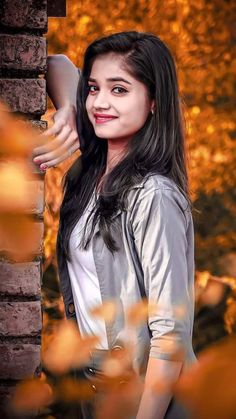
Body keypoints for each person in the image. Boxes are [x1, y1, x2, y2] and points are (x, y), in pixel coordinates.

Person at [33, 31, 197, 418]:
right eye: (93, 88)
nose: (100, 103)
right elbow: (53, 62)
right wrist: (70, 110)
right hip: (98, 387)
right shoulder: (90, 174)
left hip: (149, 396)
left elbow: (170, 335)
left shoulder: (153, 195)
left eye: (119, 90)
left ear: (153, 101)